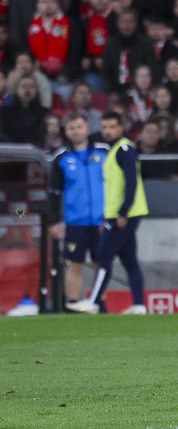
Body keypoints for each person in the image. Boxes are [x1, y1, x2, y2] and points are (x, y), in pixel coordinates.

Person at [67, 111, 148, 315]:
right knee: (129, 260)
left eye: (112, 127)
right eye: (104, 127)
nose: (108, 131)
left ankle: (93, 301)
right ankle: (138, 305)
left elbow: (131, 183)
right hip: (120, 213)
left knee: (104, 257)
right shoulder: (115, 150)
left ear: (121, 127)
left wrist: (122, 212)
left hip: (124, 214)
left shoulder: (124, 149)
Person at [49, 113, 108, 308]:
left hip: (101, 221)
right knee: (75, 264)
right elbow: (54, 193)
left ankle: (99, 303)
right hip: (75, 222)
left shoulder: (104, 153)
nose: (76, 131)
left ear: (87, 129)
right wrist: (55, 221)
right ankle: (73, 304)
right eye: (71, 128)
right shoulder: (61, 159)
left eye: (79, 126)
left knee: (102, 265)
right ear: (66, 132)